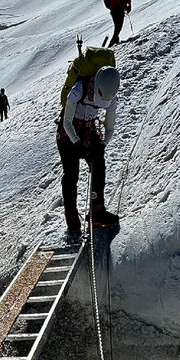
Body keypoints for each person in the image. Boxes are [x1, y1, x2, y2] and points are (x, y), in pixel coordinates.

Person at [57, 66, 121, 235]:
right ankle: (71, 218)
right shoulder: (79, 90)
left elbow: (109, 128)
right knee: (71, 174)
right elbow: (66, 122)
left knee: (98, 164)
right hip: (68, 131)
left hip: (88, 130)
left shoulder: (112, 97)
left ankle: (97, 210)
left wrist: (102, 145)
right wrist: (76, 142)